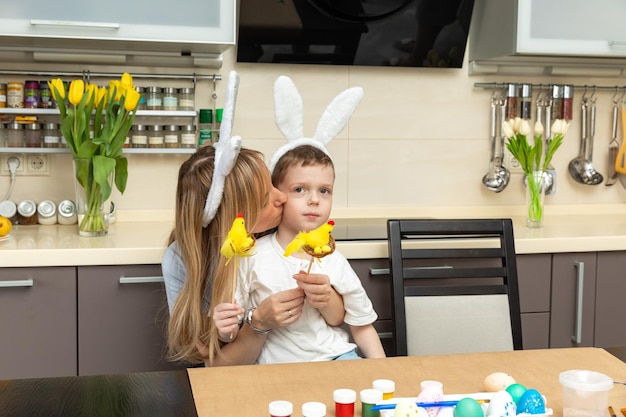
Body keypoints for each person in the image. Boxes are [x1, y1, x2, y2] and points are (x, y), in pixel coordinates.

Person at [162, 71, 345, 366]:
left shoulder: (281, 235)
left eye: (275, 184)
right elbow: (214, 364)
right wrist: (258, 322)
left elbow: (339, 312)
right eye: (265, 200)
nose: (283, 197)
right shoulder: (180, 260)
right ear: (236, 220)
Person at [235, 144, 387, 363]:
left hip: (337, 356)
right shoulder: (252, 256)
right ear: (278, 195)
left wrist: (382, 370)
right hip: (278, 367)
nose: (315, 199)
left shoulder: (334, 260)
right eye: (299, 189)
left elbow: (362, 324)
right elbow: (233, 325)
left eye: (324, 190)